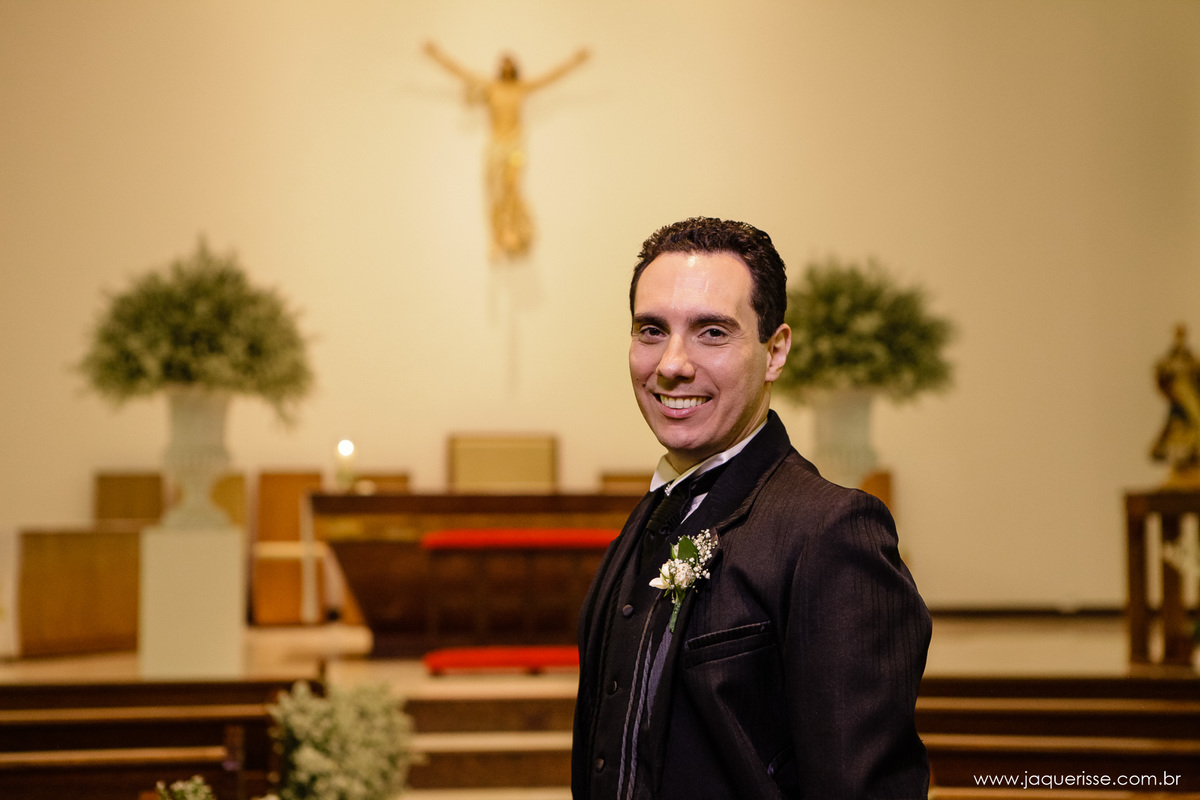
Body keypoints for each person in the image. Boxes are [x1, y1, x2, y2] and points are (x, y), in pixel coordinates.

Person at [572, 217, 931, 799]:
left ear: (775, 351)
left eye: (712, 332)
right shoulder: (646, 520)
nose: (672, 364)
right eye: (651, 330)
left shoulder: (831, 533)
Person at [423, 42, 590, 259]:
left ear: (515, 67)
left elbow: (551, 77)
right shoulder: (491, 87)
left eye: (511, 64)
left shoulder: (521, 88)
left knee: (512, 187)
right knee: (494, 191)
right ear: (500, 67)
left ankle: (515, 232)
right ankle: (497, 238)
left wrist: (575, 61)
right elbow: (460, 73)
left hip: (515, 146)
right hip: (496, 148)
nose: (508, 67)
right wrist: (436, 55)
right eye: (504, 64)